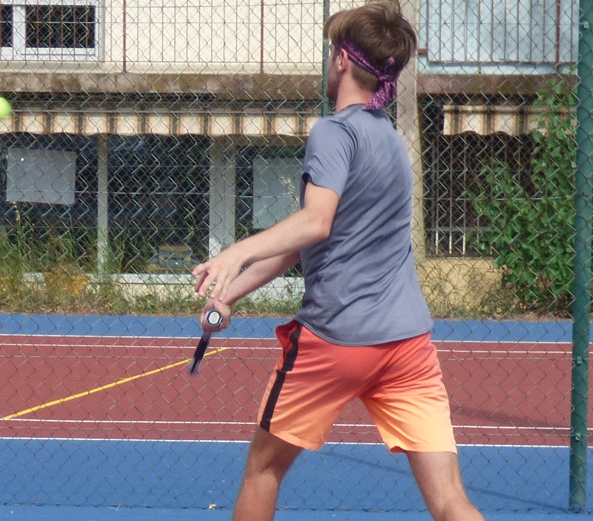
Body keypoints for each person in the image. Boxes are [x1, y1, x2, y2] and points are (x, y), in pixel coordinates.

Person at [188, 3, 483, 520]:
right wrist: (228, 293)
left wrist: (234, 252)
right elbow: (306, 243)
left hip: (336, 341)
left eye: (330, 52)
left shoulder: (333, 132)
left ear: (342, 62)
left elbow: (315, 222)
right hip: (407, 345)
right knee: (449, 500)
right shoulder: (390, 142)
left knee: (263, 469)